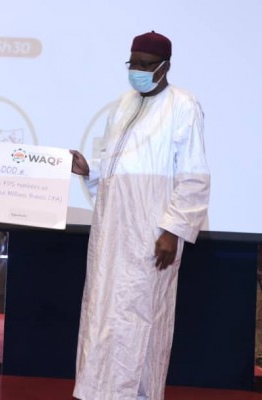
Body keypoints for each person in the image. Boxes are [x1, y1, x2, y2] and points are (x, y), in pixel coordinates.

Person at [70, 31, 210, 400]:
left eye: (146, 65)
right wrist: (89, 169)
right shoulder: (123, 103)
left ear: (165, 67)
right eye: (133, 64)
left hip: (152, 235)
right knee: (102, 314)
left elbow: (194, 175)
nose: (138, 71)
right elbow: (115, 163)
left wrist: (172, 231)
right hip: (111, 232)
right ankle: (99, 392)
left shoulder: (183, 105)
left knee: (140, 318)